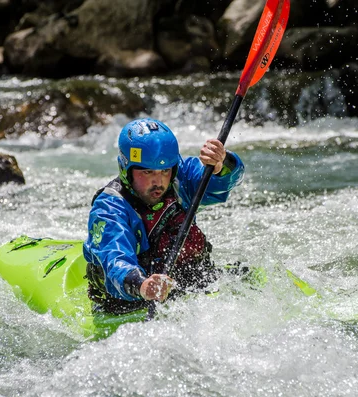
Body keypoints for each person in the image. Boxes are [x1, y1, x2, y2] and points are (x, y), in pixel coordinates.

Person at [83, 118, 245, 314]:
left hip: (181, 283)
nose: (158, 181)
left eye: (164, 171)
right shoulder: (110, 207)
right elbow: (114, 258)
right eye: (148, 172)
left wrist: (221, 164)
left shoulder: (180, 178)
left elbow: (223, 183)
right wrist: (142, 285)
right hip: (128, 300)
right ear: (127, 170)